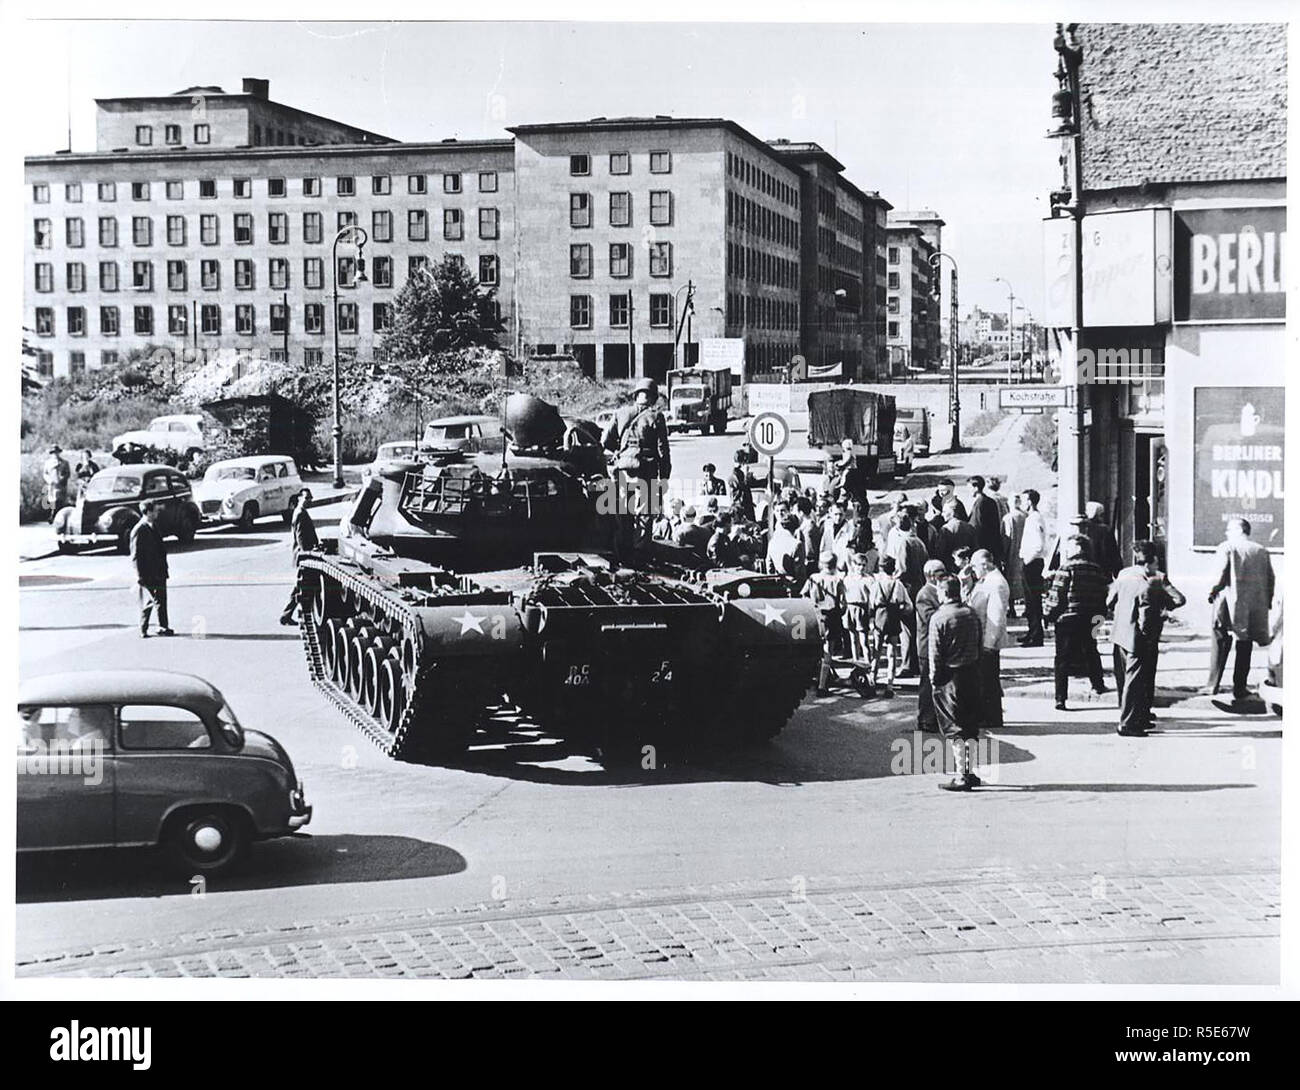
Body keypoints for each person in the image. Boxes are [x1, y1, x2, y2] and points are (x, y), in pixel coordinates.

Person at [1108, 540, 1187, 736]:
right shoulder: (1153, 581)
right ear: (1151, 561)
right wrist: (1164, 611)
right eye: (1157, 561)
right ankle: (1127, 724)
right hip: (1139, 637)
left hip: (1120, 633)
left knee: (1125, 679)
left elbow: (1110, 602)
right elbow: (1178, 600)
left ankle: (1137, 717)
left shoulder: (1123, 574)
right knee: (1136, 681)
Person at [1202, 517, 1276, 703]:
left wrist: (1211, 591)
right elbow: (1271, 579)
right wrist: (1266, 602)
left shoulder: (1227, 547)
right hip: (1253, 606)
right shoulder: (1261, 550)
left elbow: (1220, 576)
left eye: (1228, 529)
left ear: (1238, 529)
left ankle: (1212, 685)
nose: (1226, 532)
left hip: (1228, 601)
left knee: (1220, 639)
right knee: (1245, 644)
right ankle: (1240, 687)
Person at [601, 377, 672, 554]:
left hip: (623, 468)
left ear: (636, 396)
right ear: (653, 398)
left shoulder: (620, 413)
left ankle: (622, 550)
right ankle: (640, 553)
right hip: (646, 469)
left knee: (623, 509)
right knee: (645, 511)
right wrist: (664, 475)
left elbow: (604, 441)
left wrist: (620, 452)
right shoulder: (657, 417)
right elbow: (663, 450)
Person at [929, 577, 985, 791]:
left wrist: (934, 680)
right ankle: (971, 772)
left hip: (951, 677)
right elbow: (979, 643)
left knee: (956, 728)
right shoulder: (971, 613)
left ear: (943, 593)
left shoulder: (940, 617)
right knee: (971, 726)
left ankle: (961, 775)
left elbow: (934, 653)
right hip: (972, 673)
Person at [1042, 535, 1109, 710]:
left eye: (1069, 547)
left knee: (1062, 658)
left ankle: (1060, 698)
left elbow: (1057, 596)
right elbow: (1104, 595)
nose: (1066, 551)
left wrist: (1048, 615)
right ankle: (1098, 684)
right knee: (1091, 650)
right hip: (1091, 617)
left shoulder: (1066, 568)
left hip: (1068, 618)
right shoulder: (1097, 569)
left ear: (1076, 549)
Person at [967, 549, 1011, 730]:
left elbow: (996, 617)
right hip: (981, 640)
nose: (973, 570)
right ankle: (986, 715)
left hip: (987, 641)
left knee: (989, 680)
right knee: (984, 680)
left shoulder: (996, 583)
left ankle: (991, 717)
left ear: (984, 564)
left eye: (974, 566)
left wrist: (989, 644)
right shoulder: (986, 581)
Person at [802, 555, 845, 694]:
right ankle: (822, 685)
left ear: (821, 564)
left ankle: (820, 676)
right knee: (828, 650)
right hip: (831, 616)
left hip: (815, 614)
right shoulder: (837, 580)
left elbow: (803, 595)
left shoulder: (813, 578)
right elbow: (843, 603)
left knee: (819, 648)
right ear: (834, 565)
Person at [131, 501, 174, 638]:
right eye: (155, 511)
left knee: (161, 599)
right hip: (147, 572)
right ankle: (143, 628)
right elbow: (136, 555)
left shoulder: (154, 526)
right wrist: (139, 575)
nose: (157, 514)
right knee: (148, 601)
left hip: (159, 570)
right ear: (148, 512)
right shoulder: (139, 530)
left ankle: (163, 626)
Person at [914, 560, 948, 734]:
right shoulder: (924, 594)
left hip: (939, 645)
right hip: (927, 646)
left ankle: (936, 717)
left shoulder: (940, 590)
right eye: (941, 573)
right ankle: (926, 719)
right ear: (931, 576)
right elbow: (930, 619)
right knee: (927, 684)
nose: (944, 576)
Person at [870, 555, 911, 694]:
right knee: (891, 652)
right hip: (893, 617)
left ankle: (872, 681)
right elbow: (908, 606)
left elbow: (872, 603)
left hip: (879, 617)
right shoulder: (898, 584)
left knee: (876, 651)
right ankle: (889, 685)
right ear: (893, 569)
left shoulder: (876, 584)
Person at [280, 489, 320, 625]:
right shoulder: (300, 514)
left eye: (310, 498)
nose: (309, 501)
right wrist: (307, 553)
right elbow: (300, 536)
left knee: (300, 585)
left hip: (303, 553)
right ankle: (286, 614)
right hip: (303, 554)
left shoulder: (300, 512)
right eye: (307, 498)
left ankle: (286, 615)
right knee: (300, 585)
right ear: (299, 498)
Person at [1018, 488, 1049, 646]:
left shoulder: (1034, 519)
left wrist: (1027, 561)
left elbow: (1038, 544)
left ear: (1029, 502)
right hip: (1032, 561)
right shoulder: (1032, 517)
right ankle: (1032, 631)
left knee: (1033, 600)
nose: (1022, 503)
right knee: (1029, 601)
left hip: (1032, 563)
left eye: (1024, 500)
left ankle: (1036, 635)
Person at [842, 552, 873, 668]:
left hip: (862, 608)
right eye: (859, 564)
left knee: (864, 640)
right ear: (853, 565)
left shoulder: (869, 579)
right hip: (850, 608)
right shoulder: (847, 579)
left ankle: (868, 664)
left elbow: (872, 596)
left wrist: (870, 612)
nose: (861, 567)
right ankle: (856, 663)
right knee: (853, 639)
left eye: (863, 565)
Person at [967, 475, 1004, 563]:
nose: (969, 491)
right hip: (993, 544)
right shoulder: (991, 501)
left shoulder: (980, 503)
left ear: (976, 488)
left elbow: (977, 526)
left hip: (983, 545)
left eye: (969, 488)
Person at [1001, 495, 1026, 618]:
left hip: (1012, 553)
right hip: (1024, 553)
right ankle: (1027, 607)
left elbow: (1005, 538)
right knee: (1023, 580)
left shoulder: (1008, 518)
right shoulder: (1026, 516)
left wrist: (1003, 554)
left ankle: (1012, 609)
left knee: (1010, 580)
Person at [936, 498, 977, 572]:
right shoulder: (969, 527)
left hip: (952, 567)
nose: (942, 514)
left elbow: (940, 552)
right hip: (967, 566)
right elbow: (975, 547)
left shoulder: (945, 529)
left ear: (952, 513)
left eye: (944, 511)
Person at [766, 512, 806, 581]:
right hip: (793, 586)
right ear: (795, 528)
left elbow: (769, 567)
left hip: (777, 585)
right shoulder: (797, 544)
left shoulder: (772, 543)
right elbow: (800, 574)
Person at [43, 445, 71, 522]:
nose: (55, 454)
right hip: (52, 485)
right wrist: (49, 480)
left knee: (60, 501)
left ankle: (60, 517)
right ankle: (52, 515)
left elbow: (68, 473)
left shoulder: (64, 462)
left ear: (59, 453)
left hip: (61, 485)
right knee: (52, 501)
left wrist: (63, 478)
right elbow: (45, 473)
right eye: (53, 453)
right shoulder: (48, 463)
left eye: (57, 453)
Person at [728, 450, 756, 523]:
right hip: (741, 506)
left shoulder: (738, 473)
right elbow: (742, 487)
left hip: (744, 505)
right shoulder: (735, 474)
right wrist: (747, 476)